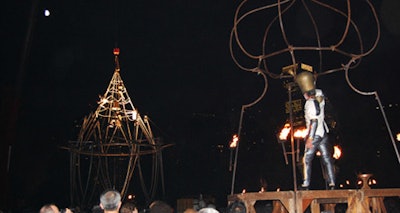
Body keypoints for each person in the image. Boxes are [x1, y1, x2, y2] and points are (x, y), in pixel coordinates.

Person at [301, 88, 335, 190]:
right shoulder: (321, 100)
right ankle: (332, 181)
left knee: (306, 159)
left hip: (315, 134)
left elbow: (314, 121)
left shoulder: (309, 103)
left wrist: (310, 138)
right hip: (323, 133)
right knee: (327, 158)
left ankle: (305, 183)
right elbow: (320, 92)